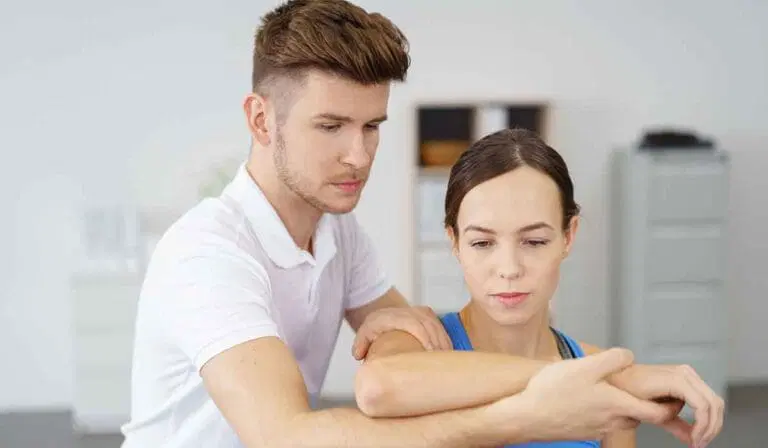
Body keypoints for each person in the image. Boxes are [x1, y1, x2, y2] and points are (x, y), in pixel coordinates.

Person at [120, 1, 720, 447]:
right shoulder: (209, 254)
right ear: (260, 120)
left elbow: (430, 362)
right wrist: (552, 400)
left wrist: (593, 374)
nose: (359, 155)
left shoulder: (338, 233)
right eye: (331, 127)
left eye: (372, 126)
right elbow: (287, 437)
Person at [354, 128, 725, 448]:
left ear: (568, 236)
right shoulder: (414, 346)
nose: (510, 269)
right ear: (454, 242)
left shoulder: (600, 371)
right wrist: (597, 377)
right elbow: (377, 389)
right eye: (482, 243)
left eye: (534, 242)